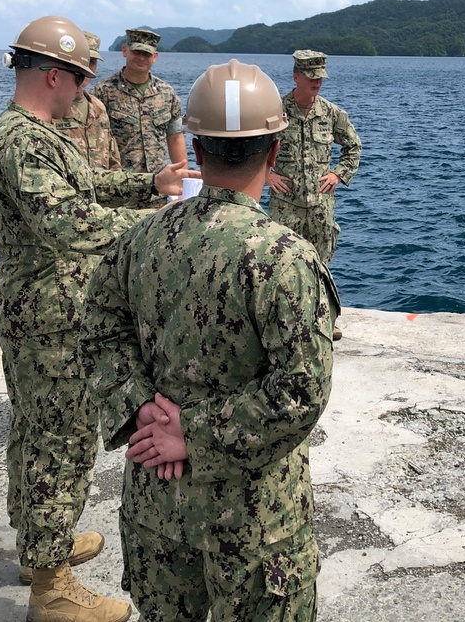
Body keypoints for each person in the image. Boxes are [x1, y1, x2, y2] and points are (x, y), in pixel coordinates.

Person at [82, 59, 339, 621]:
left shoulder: (139, 238)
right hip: (255, 525)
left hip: (156, 508)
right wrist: (193, 433)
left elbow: (98, 329)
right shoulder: (284, 257)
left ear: (195, 151)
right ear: (274, 152)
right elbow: (300, 392)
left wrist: (144, 412)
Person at [0, 16, 196, 622]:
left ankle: (38, 544)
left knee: (36, 430)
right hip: (50, 319)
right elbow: (73, 225)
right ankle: (50, 588)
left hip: (47, 312)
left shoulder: (36, 134)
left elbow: (85, 187)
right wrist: (161, 225)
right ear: (54, 75)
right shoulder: (22, 140)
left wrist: (147, 182)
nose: (84, 87)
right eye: (79, 76)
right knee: (60, 441)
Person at [266, 49, 361, 341]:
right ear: (296, 76)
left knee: (320, 266)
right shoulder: (276, 111)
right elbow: (254, 146)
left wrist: (338, 174)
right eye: (311, 77)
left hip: (320, 207)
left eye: (320, 77)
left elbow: (354, 147)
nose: (317, 83)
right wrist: (267, 174)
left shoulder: (331, 113)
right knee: (280, 266)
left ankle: (324, 323)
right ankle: (277, 325)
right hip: (285, 206)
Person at [92, 28, 184, 173]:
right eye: (136, 52)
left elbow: (175, 137)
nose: (141, 57)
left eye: (147, 54)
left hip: (159, 186)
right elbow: (94, 140)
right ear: (124, 51)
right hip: (121, 186)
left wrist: (183, 180)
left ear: (155, 57)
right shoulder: (103, 92)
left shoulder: (167, 94)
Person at [56, 31, 123, 170]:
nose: (85, 68)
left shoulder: (98, 107)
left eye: (91, 62)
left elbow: (113, 164)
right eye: (80, 61)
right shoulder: (49, 107)